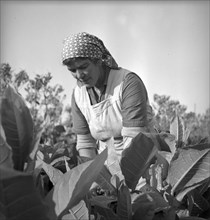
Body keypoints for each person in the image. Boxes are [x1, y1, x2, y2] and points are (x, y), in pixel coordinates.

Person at [62, 32, 155, 160]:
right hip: (107, 165)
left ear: (98, 61)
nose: (79, 75)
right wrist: (94, 178)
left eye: (83, 67)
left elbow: (134, 139)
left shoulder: (128, 83)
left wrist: (126, 177)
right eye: (72, 70)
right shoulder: (78, 95)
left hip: (142, 162)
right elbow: (85, 144)